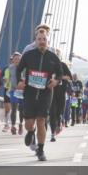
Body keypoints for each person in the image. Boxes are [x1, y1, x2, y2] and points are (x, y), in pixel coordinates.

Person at [15, 27, 62, 161]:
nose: (42, 41)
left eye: (44, 39)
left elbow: (60, 72)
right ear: (35, 41)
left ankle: (41, 150)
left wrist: (56, 81)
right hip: (30, 92)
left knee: (41, 120)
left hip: (46, 93)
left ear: (48, 41)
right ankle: (30, 132)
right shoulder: (28, 55)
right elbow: (19, 70)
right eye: (39, 39)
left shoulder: (53, 57)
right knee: (29, 122)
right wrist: (19, 81)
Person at [4, 52, 22, 134]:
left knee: (22, 109)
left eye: (18, 59)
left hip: (22, 90)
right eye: (15, 59)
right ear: (13, 60)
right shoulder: (10, 68)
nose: (17, 60)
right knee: (14, 108)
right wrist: (7, 87)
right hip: (13, 90)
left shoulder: (24, 68)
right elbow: (8, 79)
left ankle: (21, 124)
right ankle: (13, 126)